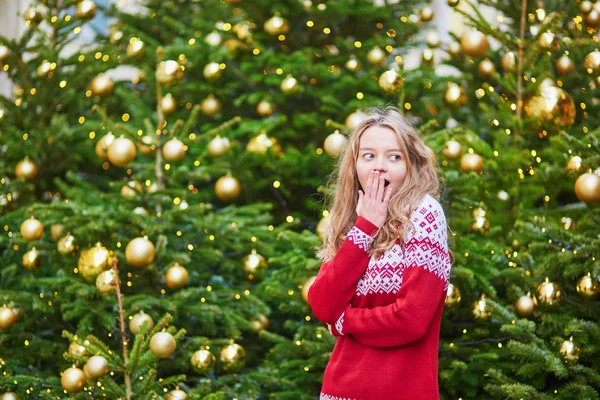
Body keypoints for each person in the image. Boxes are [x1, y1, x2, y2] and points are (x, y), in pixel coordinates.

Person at [308, 106, 451, 400]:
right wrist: (365, 227)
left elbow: (411, 319)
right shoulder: (352, 218)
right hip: (339, 391)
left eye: (394, 156)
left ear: (412, 164)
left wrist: (346, 321)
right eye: (368, 155)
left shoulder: (424, 214)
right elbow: (322, 304)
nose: (379, 166)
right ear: (355, 165)